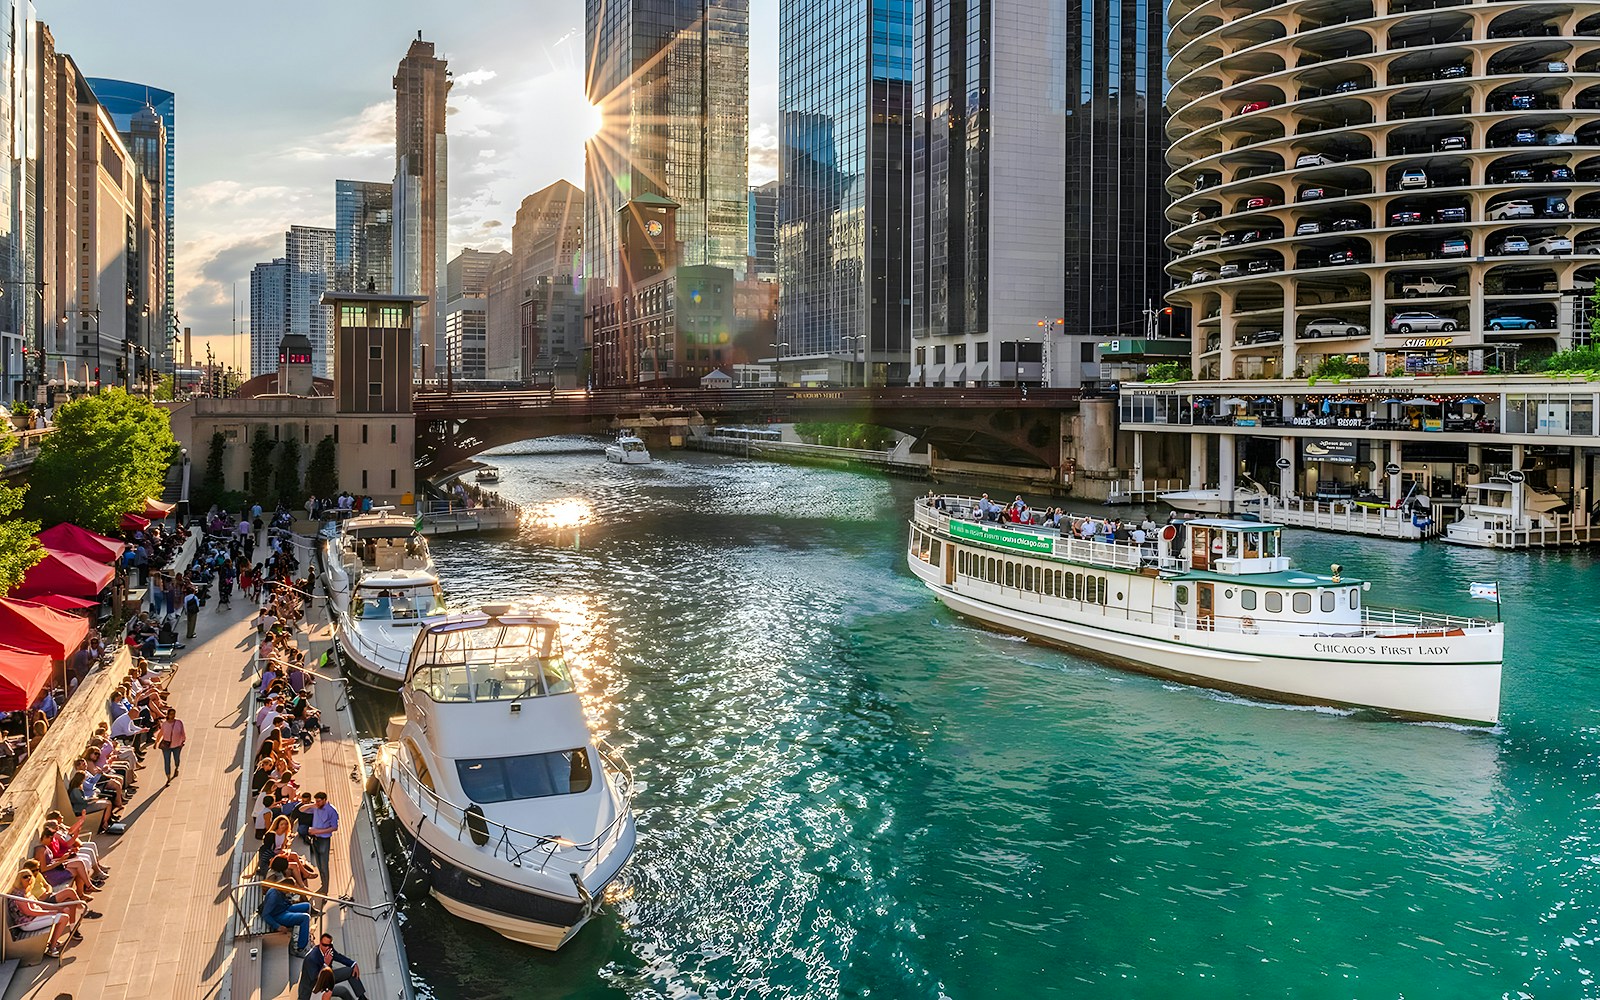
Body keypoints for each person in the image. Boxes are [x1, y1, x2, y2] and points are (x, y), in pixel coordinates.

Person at [7, 870, 77, 958]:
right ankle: (52, 948)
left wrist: (57, 908)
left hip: (34, 918)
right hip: (27, 923)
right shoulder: (19, 896)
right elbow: (29, 912)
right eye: (25, 877)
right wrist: (50, 912)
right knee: (63, 918)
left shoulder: (26, 891)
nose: (28, 878)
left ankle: (54, 941)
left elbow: (40, 904)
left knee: (64, 911)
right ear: (19, 880)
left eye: (30, 876)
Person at [298, 933, 367, 1000]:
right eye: (325, 945)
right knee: (343, 991)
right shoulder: (311, 958)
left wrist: (353, 964)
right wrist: (326, 964)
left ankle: (362, 997)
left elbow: (339, 957)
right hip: (314, 989)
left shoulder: (329, 950)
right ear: (320, 944)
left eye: (329, 945)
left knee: (351, 971)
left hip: (326, 978)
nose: (327, 947)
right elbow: (315, 979)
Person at [260, 880, 312, 955]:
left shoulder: (279, 890)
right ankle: (300, 948)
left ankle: (303, 933)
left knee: (307, 906)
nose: (290, 892)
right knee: (305, 917)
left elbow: (285, 902)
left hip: (285, 908)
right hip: (278, 915)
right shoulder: (273, 896)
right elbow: (265, 914)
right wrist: (278, 926)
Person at [302, 792, 338, 890]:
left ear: (324, 800)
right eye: (316, 801)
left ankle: (325, 887)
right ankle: (323, 883)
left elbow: (334, 827)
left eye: (318, 801)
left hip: (324, 840)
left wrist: (318, 831)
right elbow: (301, 809)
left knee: (324, 865)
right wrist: (313, 805)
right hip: (315, 838)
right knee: (318, 864)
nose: (317, 803)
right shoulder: (315, 808)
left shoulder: (331, 811)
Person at [157, 707, 187, 782]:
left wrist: (183, 740)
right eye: (171, 714)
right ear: (168, 715)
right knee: (167, 761)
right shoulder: (164, 724)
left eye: (173, 714)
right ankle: (168, 777)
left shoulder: (179, 722)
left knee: (177, 759)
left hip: (177, 745)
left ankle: (177, 767)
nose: (172, 716)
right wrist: (156, 742)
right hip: (167, 746)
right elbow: (161, 733)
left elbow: (182, 732)